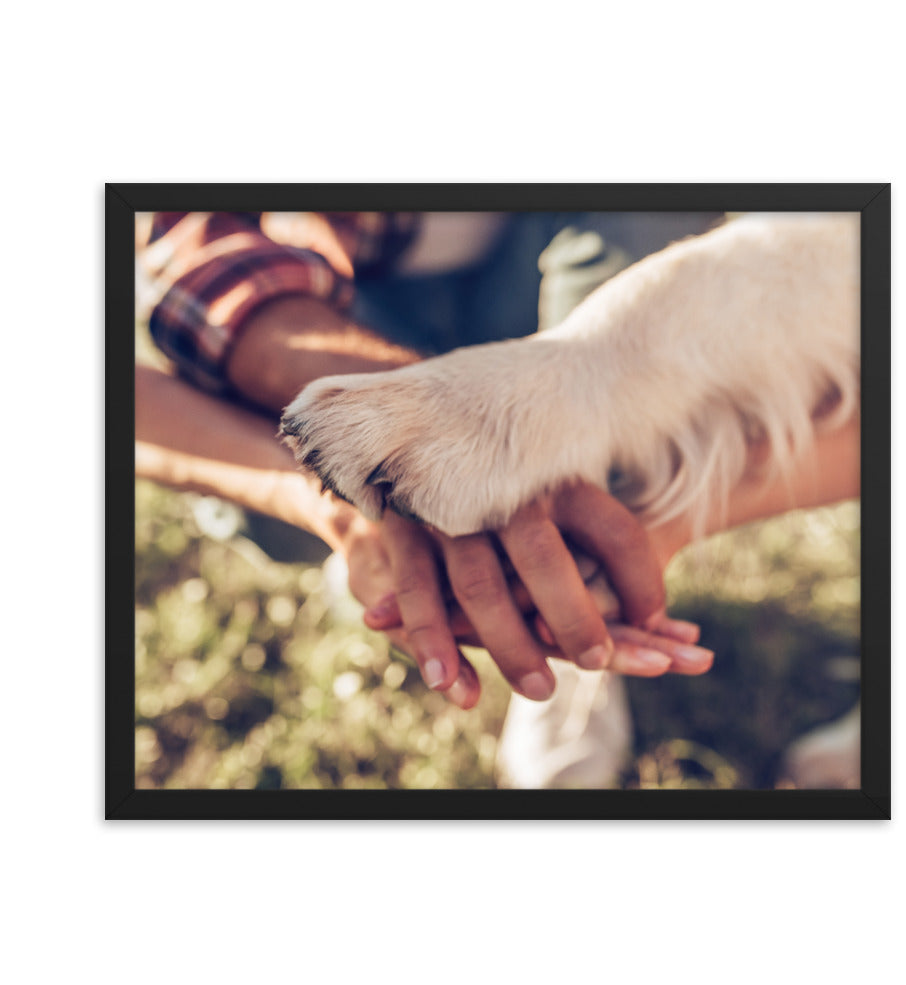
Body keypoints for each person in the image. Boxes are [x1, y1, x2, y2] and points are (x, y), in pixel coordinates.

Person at [135, 210, 860, 785]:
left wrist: (635, 523)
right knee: (259, 390)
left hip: (579, 285)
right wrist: (370, 481)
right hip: (350, 310)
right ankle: (539, 582)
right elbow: (200, 270)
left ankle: (571, 599)